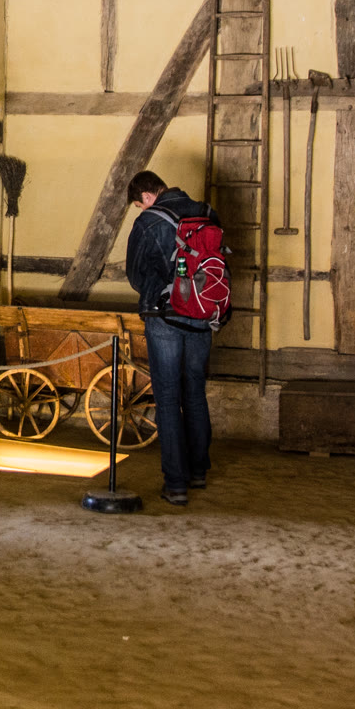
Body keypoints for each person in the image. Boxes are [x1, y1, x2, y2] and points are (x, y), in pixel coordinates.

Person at [124, 169, 221, 506]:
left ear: (146, 197)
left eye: (140, 204)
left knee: (167, 397)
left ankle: (176, 485)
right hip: (202, 316)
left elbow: (136, 276)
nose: (141, 209)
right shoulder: (206, 213)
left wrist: (160, 290)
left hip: (164, 317)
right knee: (194, 391)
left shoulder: (148, 221)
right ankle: (198, 471)